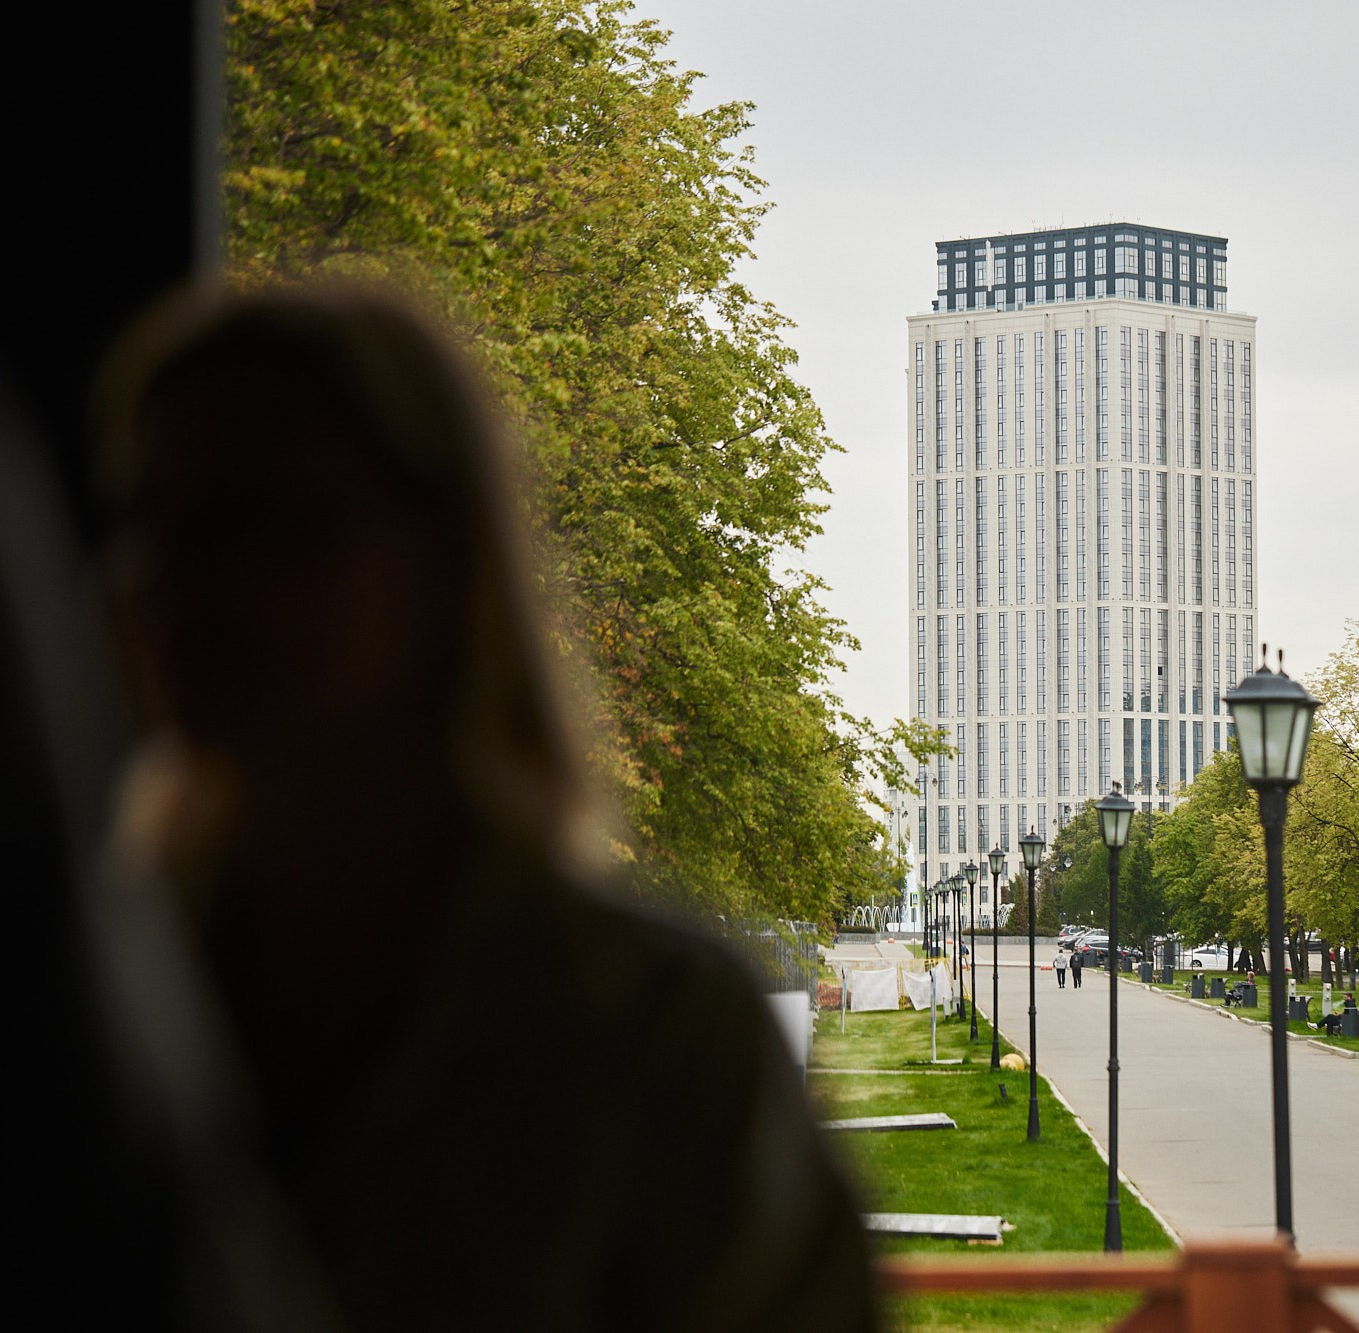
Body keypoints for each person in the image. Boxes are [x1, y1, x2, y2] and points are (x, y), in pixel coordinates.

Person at [94, 285, 875, 1331]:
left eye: (264, 522)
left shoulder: (659, 1042)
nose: (179, 583)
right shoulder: (80, 987)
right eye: (148, 524)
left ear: (439, 564)